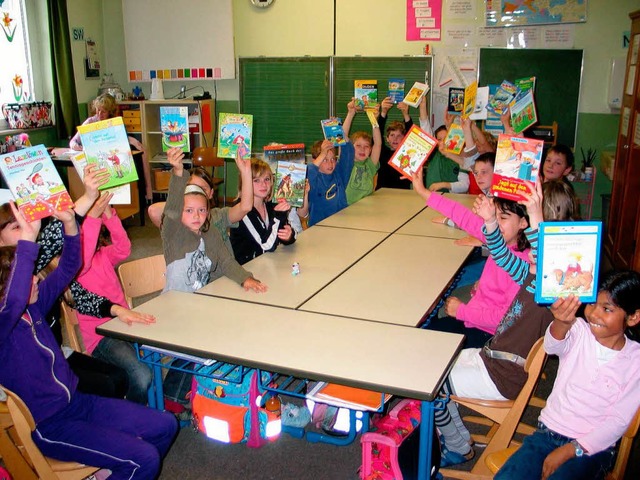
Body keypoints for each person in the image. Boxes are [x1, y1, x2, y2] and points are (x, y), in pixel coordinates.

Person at [0, 201, 178, 479]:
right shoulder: (4, 326)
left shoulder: (33, 307)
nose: (35, 278)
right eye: (28, 276)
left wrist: (71, 224)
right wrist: (27, 242)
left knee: (166, 424)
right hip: (51, 425)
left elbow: (68, 268)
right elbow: (11, 302)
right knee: (144, 459)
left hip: (78, 403)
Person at [435, 179, 579, 466]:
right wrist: (490, 220)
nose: (533, 256)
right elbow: (501, 253)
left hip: (501, 375)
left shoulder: (551, 292)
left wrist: (535, 216)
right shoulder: (530, 274)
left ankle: (456, 444)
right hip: (491, 358)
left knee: (430, 380)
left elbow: (542, 254)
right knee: (433, 361)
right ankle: (459, 437)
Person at [495, 270, 640, 480]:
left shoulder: (635, 360)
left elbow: (618, 422)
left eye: (606, 309)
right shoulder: (579, 330)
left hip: (592, 450)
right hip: (547, 434)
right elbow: (553, 346)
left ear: (633, 317)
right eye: (591, 304)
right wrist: (562, 322)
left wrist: (571, 450)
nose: (594, 314)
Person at [412, 168, 530, 348]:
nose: (495, 223)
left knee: (422, 344)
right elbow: (462, 215)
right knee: (421, 335)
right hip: (475, 318)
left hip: (489, 336)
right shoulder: (497, 239)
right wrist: (423, 192)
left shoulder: (521, 264)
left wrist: (462, 311)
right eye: (493, 216)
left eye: (503, 218)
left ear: (523, 222)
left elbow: (505, 318)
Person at [75, 192, 155, 405]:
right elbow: (82, 256)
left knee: (161, 355)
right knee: (142, 375)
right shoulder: (76, 267)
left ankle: (159, 402)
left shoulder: (103, 255)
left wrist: (108, 214)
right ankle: (132, 412)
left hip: (124, 322)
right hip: (102, 336)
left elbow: (124, 248)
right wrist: (92, 218)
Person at [161, 147, 266, 293]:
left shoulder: (211, 232)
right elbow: (171, 211)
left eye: (201, 210)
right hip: (176, 300)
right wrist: (178, 172)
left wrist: (244, 278)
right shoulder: (173, 231)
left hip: (203, 296)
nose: (196, 216)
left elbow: (226, 261)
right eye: (189, 210)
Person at [149, 160, 254, 255]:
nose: (197, 192)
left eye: (202, 188)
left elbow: (245, 207)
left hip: (224, 273)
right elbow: (154, 211)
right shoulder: (181, 219)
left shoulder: (220, 215)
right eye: (191, 188)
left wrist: (246, 172)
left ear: (211, 193)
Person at [69, 93, 153, 201]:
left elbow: (121, 141)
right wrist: (75, 145)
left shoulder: (115, 122)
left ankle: (141, 196)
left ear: (110, 111)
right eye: (98, 110)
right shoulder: (90, 122)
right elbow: (73, 142)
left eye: (103, 111)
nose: (99, 114)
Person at [229, 158, 296, 265]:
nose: (264, 185)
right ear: (245, 183)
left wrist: (289, 236)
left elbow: (284, 232)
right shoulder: (242, 211)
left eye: (267, 179)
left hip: (268, 262)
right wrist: (278, 216)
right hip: (248, 268)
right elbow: (265, 246)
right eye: (256, 180)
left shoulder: (270, 204)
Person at [307, 107, 356, 226]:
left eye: (333, 159)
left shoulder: (339, 174)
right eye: (325, 160)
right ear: (316, 160)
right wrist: (323, 152)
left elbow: (348, 153)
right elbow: (309, 171)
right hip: (319, 228)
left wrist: (338, 132)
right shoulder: (313, 179)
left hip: (342, 224)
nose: (330, 164)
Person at [343, 99, 382, 205]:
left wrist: (374, 120)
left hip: (367, 209)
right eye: (358, 146)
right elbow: (342, 137)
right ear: (351, 147)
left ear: (370, 150)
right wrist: (350, 113)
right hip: (347, 209)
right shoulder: (346, 162)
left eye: (366, 146)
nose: (362, 149)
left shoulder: (370, 164)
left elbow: (378, 144)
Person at [375, 96, 413, 190]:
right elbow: (377, 134)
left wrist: (406, 114)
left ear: (405, 138)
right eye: (392, 135)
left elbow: (412, 135)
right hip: (383, 195)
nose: (395, 138)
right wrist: (383, 113)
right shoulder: (382, 152)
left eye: (399, 135)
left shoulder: (408, 153)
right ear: (387, 138)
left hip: (402, 196)